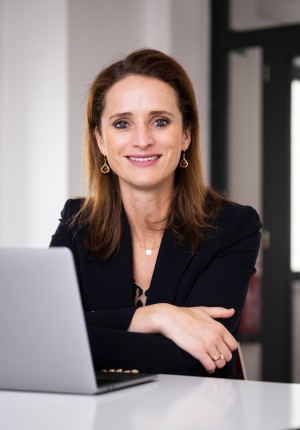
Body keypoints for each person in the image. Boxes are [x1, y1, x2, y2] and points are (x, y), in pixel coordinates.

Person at [50, 48, 261, 378]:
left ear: (186, 135)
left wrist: (83, 333)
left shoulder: (233, 227)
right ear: (101, 140)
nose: (143, 140)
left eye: (160, 121)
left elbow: (193, 358)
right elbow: (41, 334)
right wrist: (154, 317)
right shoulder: (77, 223)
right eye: (122, 124)